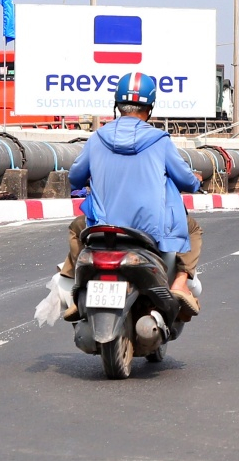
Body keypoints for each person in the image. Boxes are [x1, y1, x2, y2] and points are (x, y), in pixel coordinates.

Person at [60, 73, 203, 317]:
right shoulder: (160, 141)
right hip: (150, 230)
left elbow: (74, 178)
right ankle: (179, 283)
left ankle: (77, 288)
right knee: (192, 229)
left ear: (117, 105)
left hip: (103, 228)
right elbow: (187, 182)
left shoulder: (97, 139)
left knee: (76, 228)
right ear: (150, 108)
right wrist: (196, 179)